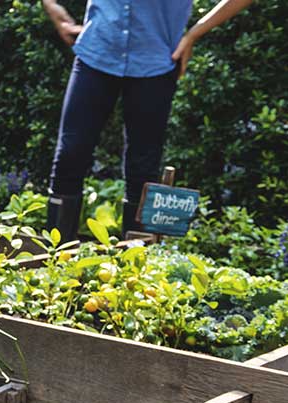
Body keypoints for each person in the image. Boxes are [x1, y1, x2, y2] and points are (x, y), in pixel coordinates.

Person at [41, 0, 252, 240]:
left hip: (155, 63)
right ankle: (55, 261)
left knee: (143, 170)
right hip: (96, 52)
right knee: (70, 155)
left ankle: (134, 269)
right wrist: (52, 6)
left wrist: (194, 33)